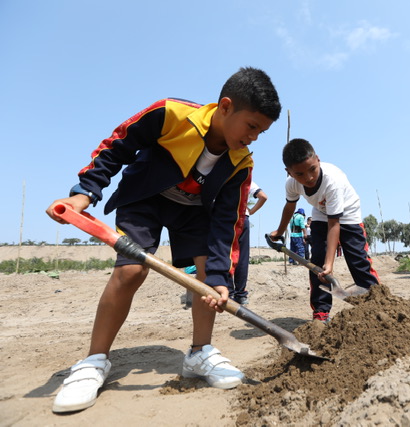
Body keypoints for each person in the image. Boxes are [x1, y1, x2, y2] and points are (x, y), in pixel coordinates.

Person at [45, 67, 281, 413]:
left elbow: (227, 222)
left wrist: (218, 278)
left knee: (207, 282)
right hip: (146, 198)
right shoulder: (170, 114)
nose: (255, 138)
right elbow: (116, 147)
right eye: (252, 127)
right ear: (226, 106)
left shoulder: (240, 162)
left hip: (195, 212)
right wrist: (85, 192)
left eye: (261, 132)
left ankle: (200, 353)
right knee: (131, 271)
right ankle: (93, 362)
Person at [270, 138, 379, 323]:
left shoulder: (332, 181)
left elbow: (334, 224)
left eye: (312, 169)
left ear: (318, 159)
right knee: (317, 262)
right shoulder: (291, 183)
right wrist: (279, 232)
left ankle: (377, 302)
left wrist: (331, 265)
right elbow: (289, 207)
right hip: (321, 214)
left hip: (348, 216)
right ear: (289, 172)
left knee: (358, 260)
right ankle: (321, 311)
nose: (308, 178)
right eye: (300, 174)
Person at [230, 181, 268, 305]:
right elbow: (263, 196)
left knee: (226, 253)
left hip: (224, 217)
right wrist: (251, 211)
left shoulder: (221, 174)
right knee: (242, 255)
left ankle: (228, 292)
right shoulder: (246, 178)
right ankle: (240, 294)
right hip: (242, 216)